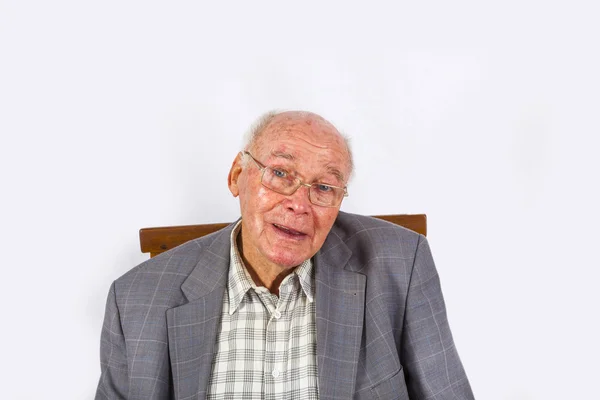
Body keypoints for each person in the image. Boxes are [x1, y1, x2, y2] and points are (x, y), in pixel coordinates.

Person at [95, 110, 475, 399]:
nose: (299, 204)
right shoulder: (135, 300)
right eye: (280, 173)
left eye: (324, 187)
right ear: (236, 176)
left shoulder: (400, 265)